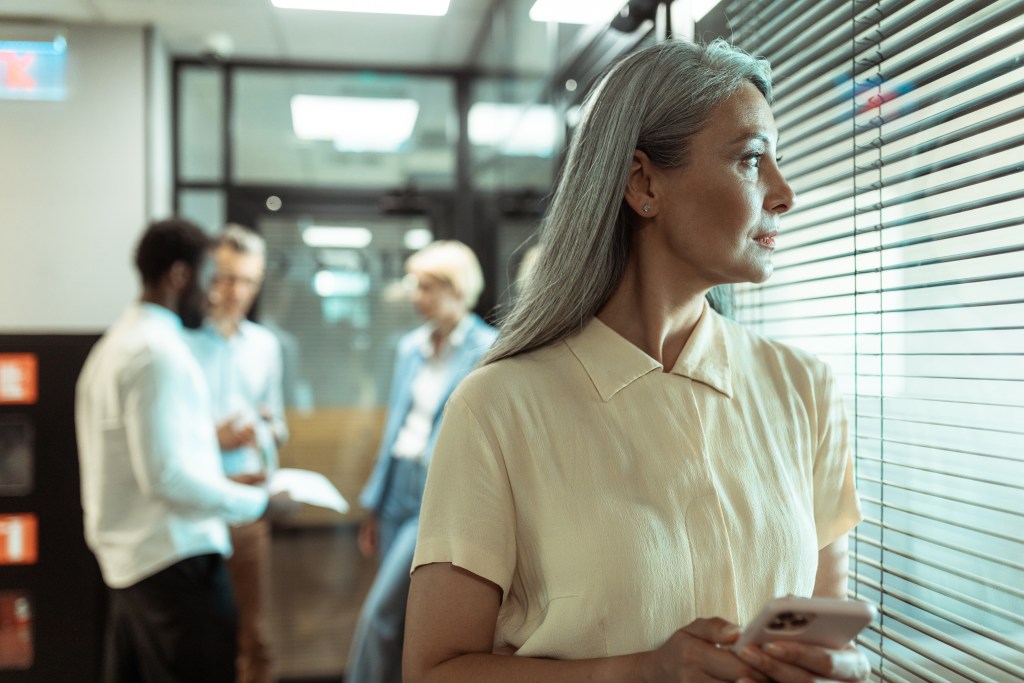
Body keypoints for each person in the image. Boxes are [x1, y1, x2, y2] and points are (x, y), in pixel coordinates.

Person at [403, 39, 871, 683]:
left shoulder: (805, 388)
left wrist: (837, 669)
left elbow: (825, 627)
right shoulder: (497, 408)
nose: (784, 193)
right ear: (643, 182)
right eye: (752, 159)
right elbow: (432, 672)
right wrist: (638, 673)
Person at [75, 218, 295, 682]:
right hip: (175, 560)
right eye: (211, 277)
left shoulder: (117, 345)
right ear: (180, 276)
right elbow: (168, 476)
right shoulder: (159, 353)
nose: (215, 294)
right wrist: (260, 504)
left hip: (141, 564)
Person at [346, 241, 498, 683]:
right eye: (415, 286)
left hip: (437, 492)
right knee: (398, 624)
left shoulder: (488, 348)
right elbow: (396, 426)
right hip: (397, 486)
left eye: (427, 287)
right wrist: (373, 503)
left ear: (457, 290)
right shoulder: (410, 347)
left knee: (380, 617)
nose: (416, 296)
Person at [186, 224, 287, 683]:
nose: (236, 291)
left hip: (248, 498)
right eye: (227, 278)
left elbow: (278, 424)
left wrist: (264, 428)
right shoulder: (181, 345)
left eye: (247, 280)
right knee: (201, 632)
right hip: (194, 500)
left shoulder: (265, 346)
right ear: (208, 276)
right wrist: (213, 436)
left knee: (256, 634)